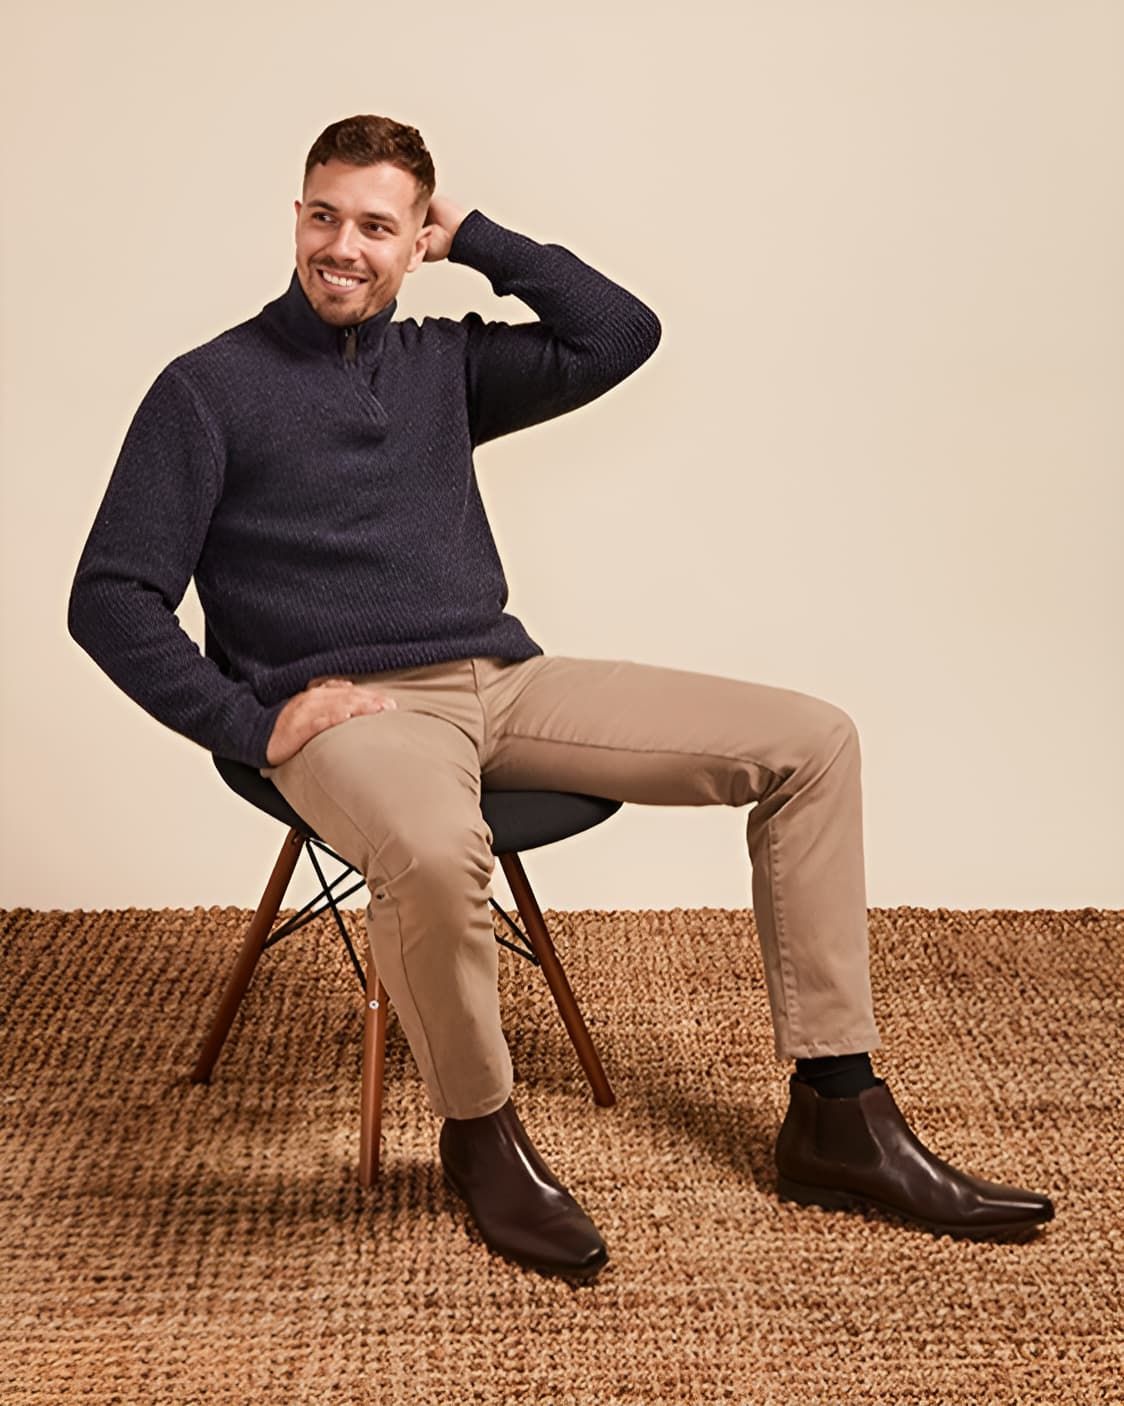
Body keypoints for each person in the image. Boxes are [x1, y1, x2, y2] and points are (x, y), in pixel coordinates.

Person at [68, 113, 1055, 1283]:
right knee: (437, 854)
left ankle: (836, 1111)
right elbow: (111, 596)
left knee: (811, 740)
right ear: (294, 217)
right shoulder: (206, 390)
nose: (343, 245)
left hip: (504, 678)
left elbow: (618, 332)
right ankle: (480, 1136)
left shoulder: (444, 363)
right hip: (352, 712)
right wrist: (251, 719)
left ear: (412, 237)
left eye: (377, 225)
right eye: (323, 215)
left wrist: (479, 236)